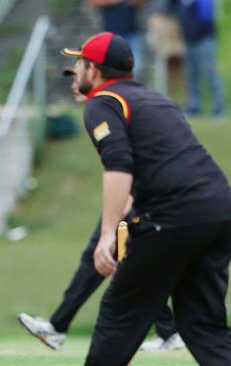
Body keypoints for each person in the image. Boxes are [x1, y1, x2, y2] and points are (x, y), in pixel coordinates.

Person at [62, 31, 231, 365]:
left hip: (173, 216)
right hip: (219, 210)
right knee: (202, 325)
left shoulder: (104, 102)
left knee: (119, 315)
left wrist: (108, 233)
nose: (76, 71)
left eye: (79, 63)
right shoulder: (154, 99)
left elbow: (119, 166)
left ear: (94, 70)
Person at [17, 69, 184, 352]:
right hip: (139, 203)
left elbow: (129, 161)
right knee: (123, 265)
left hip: (139, 206)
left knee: (108, 258)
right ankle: (168, 331)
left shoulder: (106, 108)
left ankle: (58, 326)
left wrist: (124, 208)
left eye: (78, 76)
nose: (73, 83)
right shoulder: (103, 109)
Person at [171, 0, 225, 117]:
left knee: (209, 72)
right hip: (189, 41)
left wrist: (195, 33)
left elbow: (206, 18)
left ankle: (219, 107)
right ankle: (195, 107)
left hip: (204, 40)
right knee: (191, 74)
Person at [89, 0, 146, 79]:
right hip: (111, 35)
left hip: (131, 33)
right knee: (110, 68)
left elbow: (142, 3)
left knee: (135, 69)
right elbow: (94, 2)